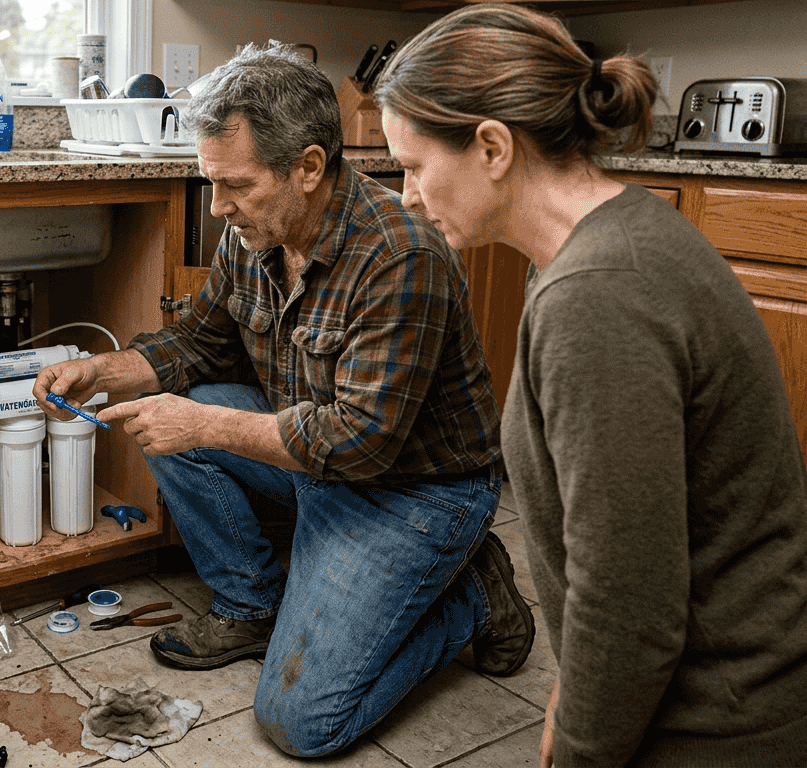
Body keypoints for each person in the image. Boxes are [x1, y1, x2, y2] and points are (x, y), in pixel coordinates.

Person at [33, 42, 534, 757]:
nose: (218, 205)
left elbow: (360, 441)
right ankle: (251, 605)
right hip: (322, 461)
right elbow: (200, 346)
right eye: (211, 182)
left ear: (308, 167)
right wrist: (107, 370)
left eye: (234, 184)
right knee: (184, 402)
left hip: (415, 492)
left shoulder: (401, 256)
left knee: (302, 725)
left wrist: (202, 422)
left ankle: (474, 595)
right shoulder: (252, 232)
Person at [372, 6, 807, 767]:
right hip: (691, 688)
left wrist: (580, 746)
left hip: (718, 720)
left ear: (492, 148)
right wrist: (574, 688)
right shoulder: (610, 239)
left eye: (414, 165)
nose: (408, 195)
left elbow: (630, 602)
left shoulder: (596, 297)